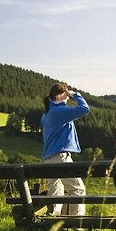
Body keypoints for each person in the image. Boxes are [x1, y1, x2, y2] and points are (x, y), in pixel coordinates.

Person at [41, 82, 90, 216]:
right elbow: (84, 109)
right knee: (78, 189)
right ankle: (78, 223)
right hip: (61, 157)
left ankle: (53, 218)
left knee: (56, 190)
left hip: (48, 158)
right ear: (59, 95)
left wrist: (67, 95)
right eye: (65, 93)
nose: (67, 95)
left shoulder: (47, 113)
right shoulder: (60, 111)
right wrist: (75, 95)